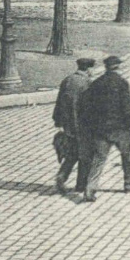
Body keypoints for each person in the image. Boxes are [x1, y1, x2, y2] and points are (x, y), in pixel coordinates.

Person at [78, 56, 130, 202]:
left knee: (98, 159)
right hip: (120, 129)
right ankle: (129, 183)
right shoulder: (122, 83)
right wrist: (129, 125)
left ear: (106, 67)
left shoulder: (97, 83)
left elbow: (88, 107)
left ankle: (90, 189)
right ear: (118, 67)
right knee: (127, 156)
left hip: (101, 130)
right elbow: (127, 108)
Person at [52, 57, 94, 194]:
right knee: (85, 155)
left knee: (72, 153)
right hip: (82, 126)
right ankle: (81, 185)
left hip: (68, 125)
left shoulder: (68, 80)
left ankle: (62, 176)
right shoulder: (87, 83)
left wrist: (58, 121)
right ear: (88, 69)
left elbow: (59, 101)